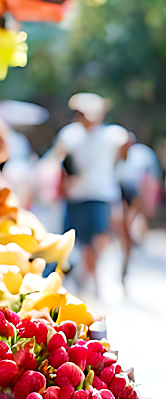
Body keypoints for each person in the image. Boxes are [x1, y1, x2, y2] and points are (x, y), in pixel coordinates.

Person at [49, 92, 131, 292]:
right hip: (77, 195)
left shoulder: (112, 134)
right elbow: (59, 159)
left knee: (99, 236)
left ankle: (92, 272)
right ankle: (82, 274)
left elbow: (127, 144)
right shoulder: (70, 134)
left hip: (101, 195)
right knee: (76, 240)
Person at [116, 136, 163, 281]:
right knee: (126, 229)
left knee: (129, 227)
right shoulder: (119, 153)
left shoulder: (143, 153)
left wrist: (150, 201)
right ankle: (127, 256)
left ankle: (128, 256)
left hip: (136, 194)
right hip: (123, 193)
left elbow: (152, 179)